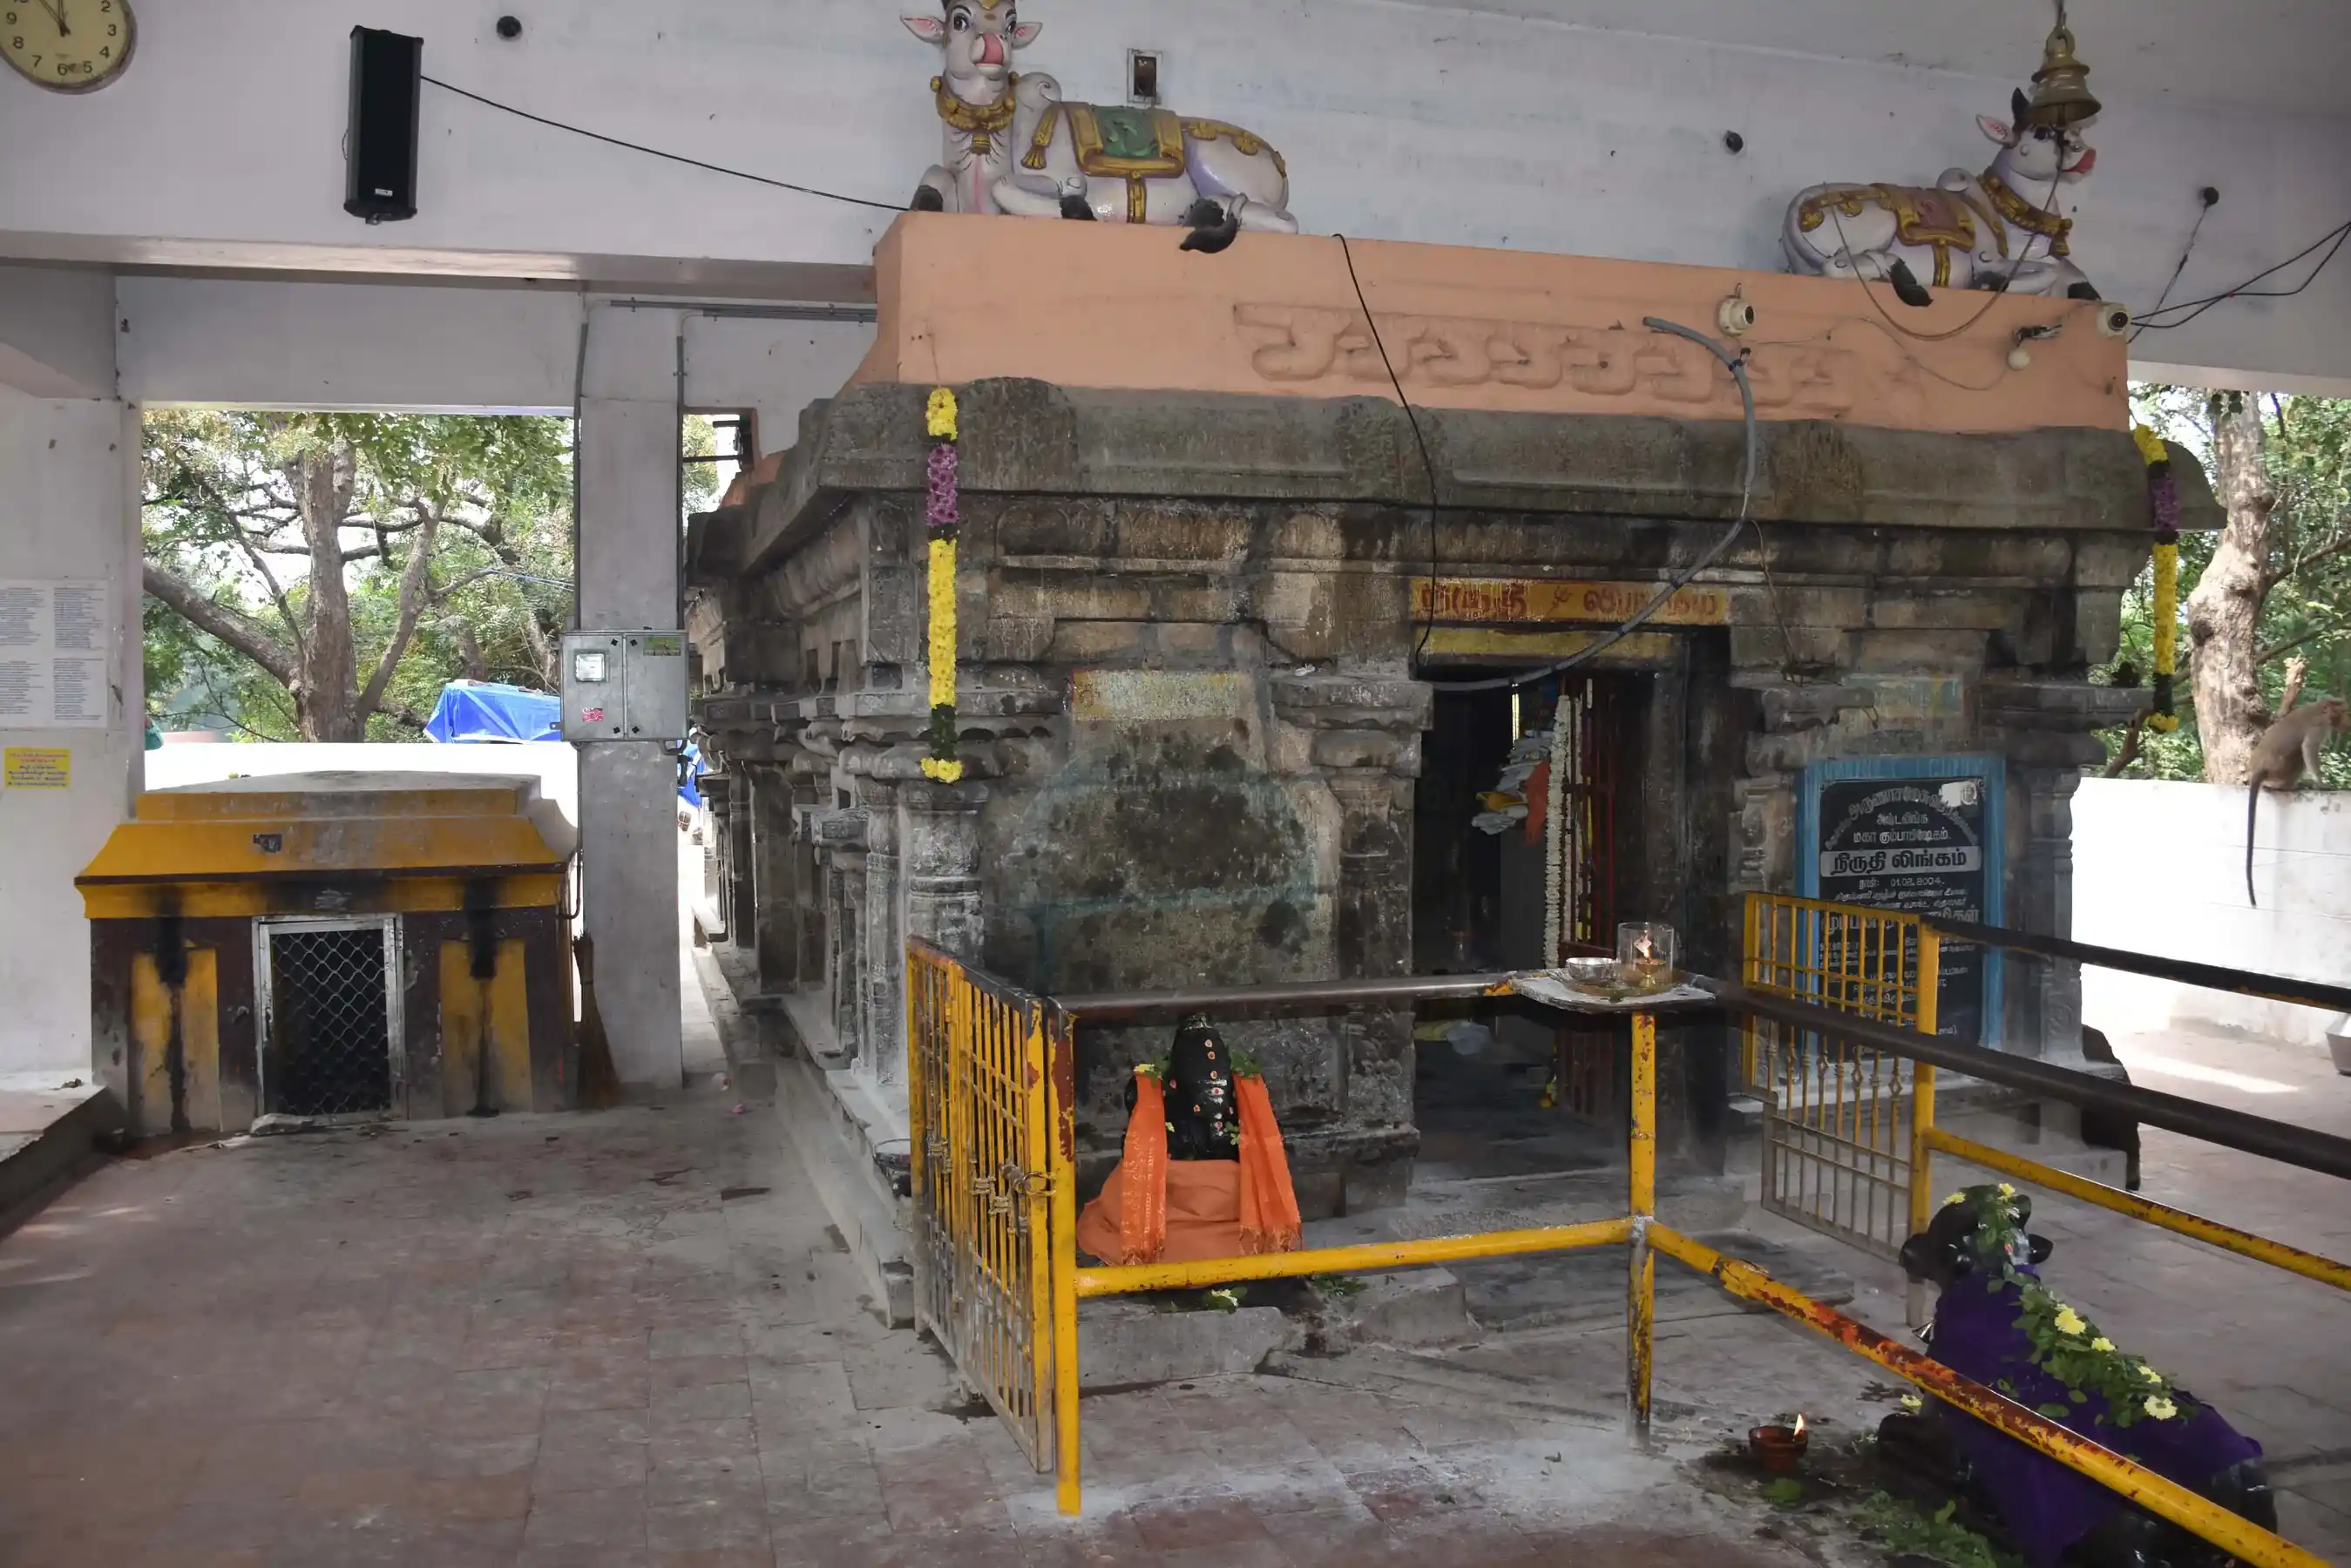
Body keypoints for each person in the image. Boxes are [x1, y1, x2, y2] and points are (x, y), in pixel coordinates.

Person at [1075, 1015, 1303, 1266]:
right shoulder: (1155, 1093)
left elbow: (1269, 1148)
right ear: (1175, 1079)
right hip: (1177, 1181)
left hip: (1229, 1197)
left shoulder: (1249, 1094)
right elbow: (1138, 1150)